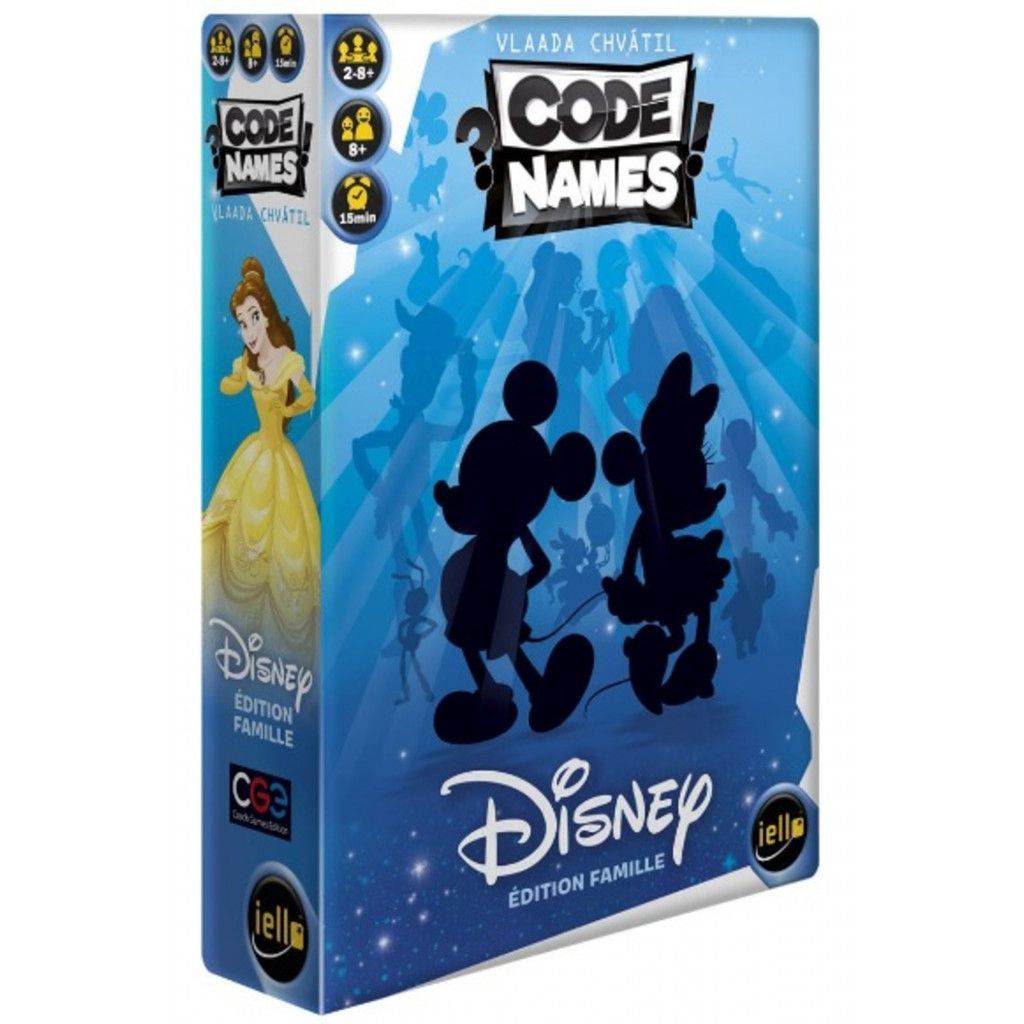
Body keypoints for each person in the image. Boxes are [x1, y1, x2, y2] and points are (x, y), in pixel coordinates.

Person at [202, 258, 320, 652]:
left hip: (278, 457)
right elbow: (232, 384)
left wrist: (289, 408)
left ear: (266, 316)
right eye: (241, 322)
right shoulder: (247, 364)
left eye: (253, 317)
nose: (248, 330)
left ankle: (277, 627)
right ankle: (234, 619)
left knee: (285, 536)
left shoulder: (288, 359)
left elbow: (309, 395)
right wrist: (231, 380)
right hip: (253, 455)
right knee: (233, 526)